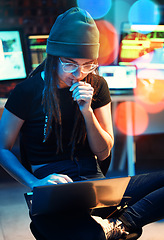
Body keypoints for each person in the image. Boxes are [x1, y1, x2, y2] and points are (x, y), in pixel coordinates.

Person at [0, 6, 164, 240]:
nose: (78, 73)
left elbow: (104, 151)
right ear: (53, 56)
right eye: (70, 64)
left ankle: (121, 223)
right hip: (52, 185)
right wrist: (35, 183)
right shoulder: (27, 91)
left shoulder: (97, 85)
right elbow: (2, 148)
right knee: (91, 236)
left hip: (93, 183)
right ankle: (111, 227)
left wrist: (87, 111)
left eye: (88, 64)